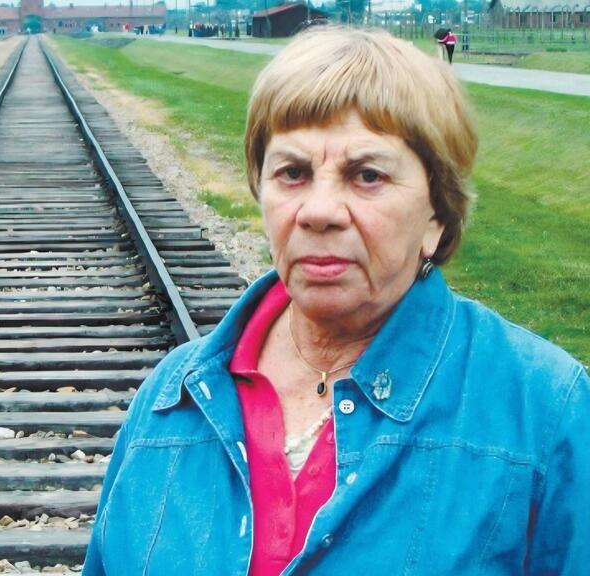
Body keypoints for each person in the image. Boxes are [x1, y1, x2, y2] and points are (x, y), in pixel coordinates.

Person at [82, 27, 588, 575]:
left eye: (366, 175)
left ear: (437, 216)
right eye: (292, 173)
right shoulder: (173, 395)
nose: (318, 210)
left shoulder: (544, 410)